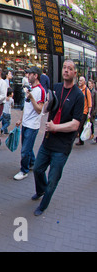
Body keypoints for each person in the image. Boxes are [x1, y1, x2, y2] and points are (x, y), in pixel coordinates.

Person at [32, 60, 84, 216]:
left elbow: (75, 125)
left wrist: (56, 127)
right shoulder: (56, 88)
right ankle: (41, 190)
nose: (66, 70)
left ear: (75, 73)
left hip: (62, 146)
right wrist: (47, 102)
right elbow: (47, 108)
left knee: (53, 179)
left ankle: (43, 205)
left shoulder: (79, 96)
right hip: (48, 140)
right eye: (64, 68)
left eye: (70, 69)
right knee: (37, 169)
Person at [13, 66, 45, 181]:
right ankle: (32, 163)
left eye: (29, 74)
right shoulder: (30, 88)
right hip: (26, 124)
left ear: (35, 76)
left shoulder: (40, 91)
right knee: (28, 147)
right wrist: (20, 119)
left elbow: (39, 109)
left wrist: (31, 98)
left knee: (25, 150)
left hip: (33, 125)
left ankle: (24, 170)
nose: (27, 76)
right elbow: (26, 107)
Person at [76, 76, 92, 146]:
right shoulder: (78, 89)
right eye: (79, 80)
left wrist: (89, 113)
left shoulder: (86, 90)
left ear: (84, 82)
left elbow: (90, 102)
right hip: (78, 111)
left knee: (79, 126)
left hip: (84, 112)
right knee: (80, 127)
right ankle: (81, 140)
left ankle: (78, 140)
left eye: (81, 80)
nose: (80, 82)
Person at [88, 79, 96, 144]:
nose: (89, 84)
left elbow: (95, 103)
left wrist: (94, 111)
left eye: (90, 83)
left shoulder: (94, 92)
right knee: (88, 122)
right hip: (88, 108)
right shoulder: (88, 91)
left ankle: (92, 133)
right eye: (88, 83)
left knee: (91, 122)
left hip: (93, 110)